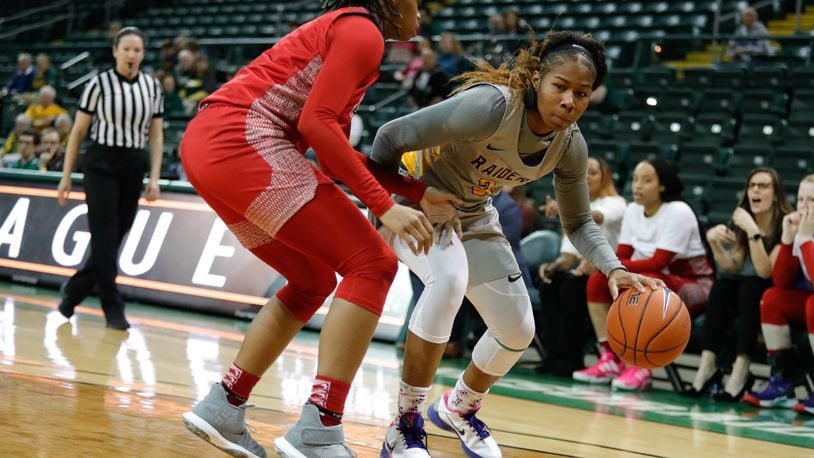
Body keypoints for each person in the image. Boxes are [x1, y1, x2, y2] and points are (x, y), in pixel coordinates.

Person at [178, 2, 459, 457]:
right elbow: (316, 124)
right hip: (241, 140)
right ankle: (320, 427)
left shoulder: (352, 32)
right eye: (416, 1)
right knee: (373, 264)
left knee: (311, 282)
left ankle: (224, 404)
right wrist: (385, 206)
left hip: (208, 148)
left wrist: (416, 191)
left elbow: (331, 151)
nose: (423, 11)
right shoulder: (361, 32)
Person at [370, 31, 660, 456]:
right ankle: (405, 424)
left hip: (472, 214)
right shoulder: (489, 106)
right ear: (536, 79)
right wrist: (412, 198)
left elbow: (578, 221)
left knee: (518, 328)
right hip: (410, 203)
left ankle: (458, 408)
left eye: (582, 93)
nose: (569, 101)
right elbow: (386, 139)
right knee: (448, 282)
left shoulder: (570, 144)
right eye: (560, 87)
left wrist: (614, 268)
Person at [55, 26, 164, 330]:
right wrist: (66, 176)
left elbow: (156, 136)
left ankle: (72, 293)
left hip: (133, 164)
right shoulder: (98, 84)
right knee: (104, 236)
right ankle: (113, 308)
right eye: (126, 49)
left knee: (116, 236)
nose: (131, 55)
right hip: (101, 162)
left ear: (143, 54)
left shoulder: (152, 87)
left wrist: (154, 177)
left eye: (137, 50)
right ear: (115, 51)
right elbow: (77, 132)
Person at [574, 158, 714, 391]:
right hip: (658, 281)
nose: (637, 186)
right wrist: (604, 267)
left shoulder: (679, 211)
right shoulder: (633, 210)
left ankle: (641, 365)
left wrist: (601, 263)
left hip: (694, 285)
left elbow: (659, 262)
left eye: (647, 180)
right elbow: (622, 254)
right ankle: (609, 357)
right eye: (636, 180)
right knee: (599, 281)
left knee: (647, 282)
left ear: (662, 185)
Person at [688, 168, 791, 401]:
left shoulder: (785, 223)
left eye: (763, 186)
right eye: (752, 185)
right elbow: (732, 266)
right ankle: (708, 364)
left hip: (776, 292)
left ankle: (742, 366)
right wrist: (714, 243)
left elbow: (766, 272)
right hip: (749, 291)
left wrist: (753, 231)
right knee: (722, 287)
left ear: (776, 195)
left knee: (752, 287)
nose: (755, 190)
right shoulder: (744, 220)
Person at [536, 156, 625, 376]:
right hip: (579, 270)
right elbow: (568, 256)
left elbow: (597, 217)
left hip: (606, 271)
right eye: (583, 171)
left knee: (570, 289)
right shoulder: (574, 207)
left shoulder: (615, 203)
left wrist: (565, 209)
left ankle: (571, 358)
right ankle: (552, 356)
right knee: (548, 283)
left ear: (605, 177)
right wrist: (553, 266)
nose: (586, 176)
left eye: (593, 172)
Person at [743, 174, 814, 414]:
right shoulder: (802, 228)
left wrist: (805, 240)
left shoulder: (807, 233)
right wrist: (787, 239)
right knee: (773, 297)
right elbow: (782, 280)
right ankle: (782, 379)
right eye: (802, 199)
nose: (804, 206)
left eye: (812, 200)